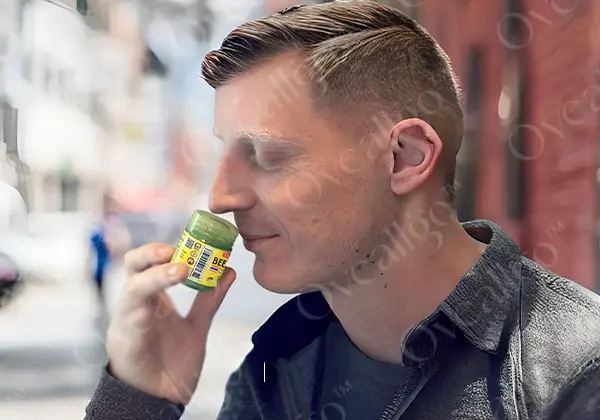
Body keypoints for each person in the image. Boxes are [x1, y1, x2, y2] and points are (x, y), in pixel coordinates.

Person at [84, 2, 600, 419]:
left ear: (405, 158)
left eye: (265, 155)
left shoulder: (575, 373)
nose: (220, 197)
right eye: (226, 153)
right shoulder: (275, 364)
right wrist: (141, 398)